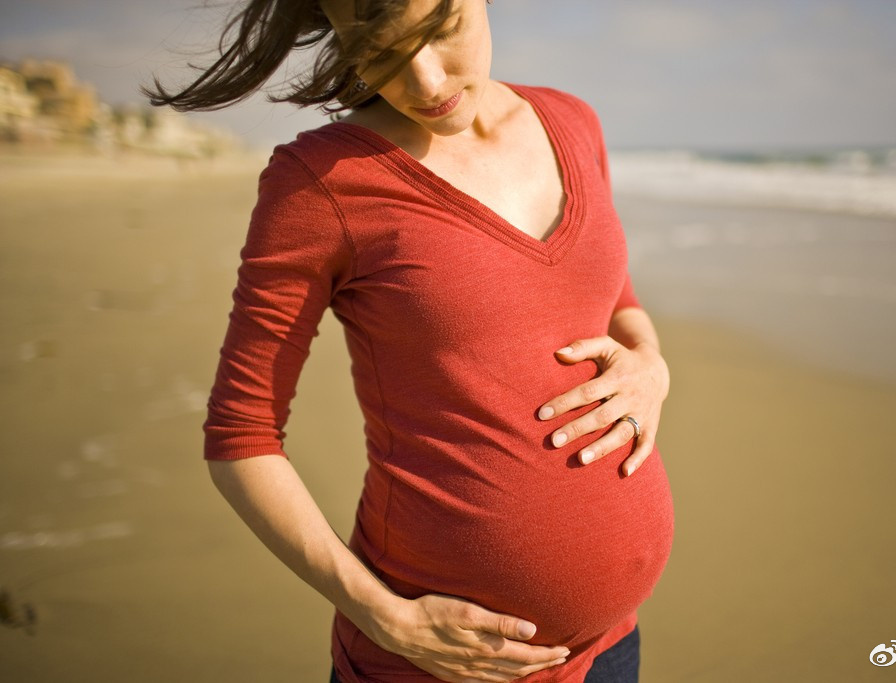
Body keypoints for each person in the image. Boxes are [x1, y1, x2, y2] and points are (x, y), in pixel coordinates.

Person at [145, 0, 674, 681]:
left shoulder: (573, 122)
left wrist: (651, 364)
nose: (425, 81)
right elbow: (240, 437)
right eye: (381, 53)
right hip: (431, 666)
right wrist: (381, 615)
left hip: (611, 648)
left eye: (440, 30)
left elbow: (613, 297)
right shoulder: (323, 182)